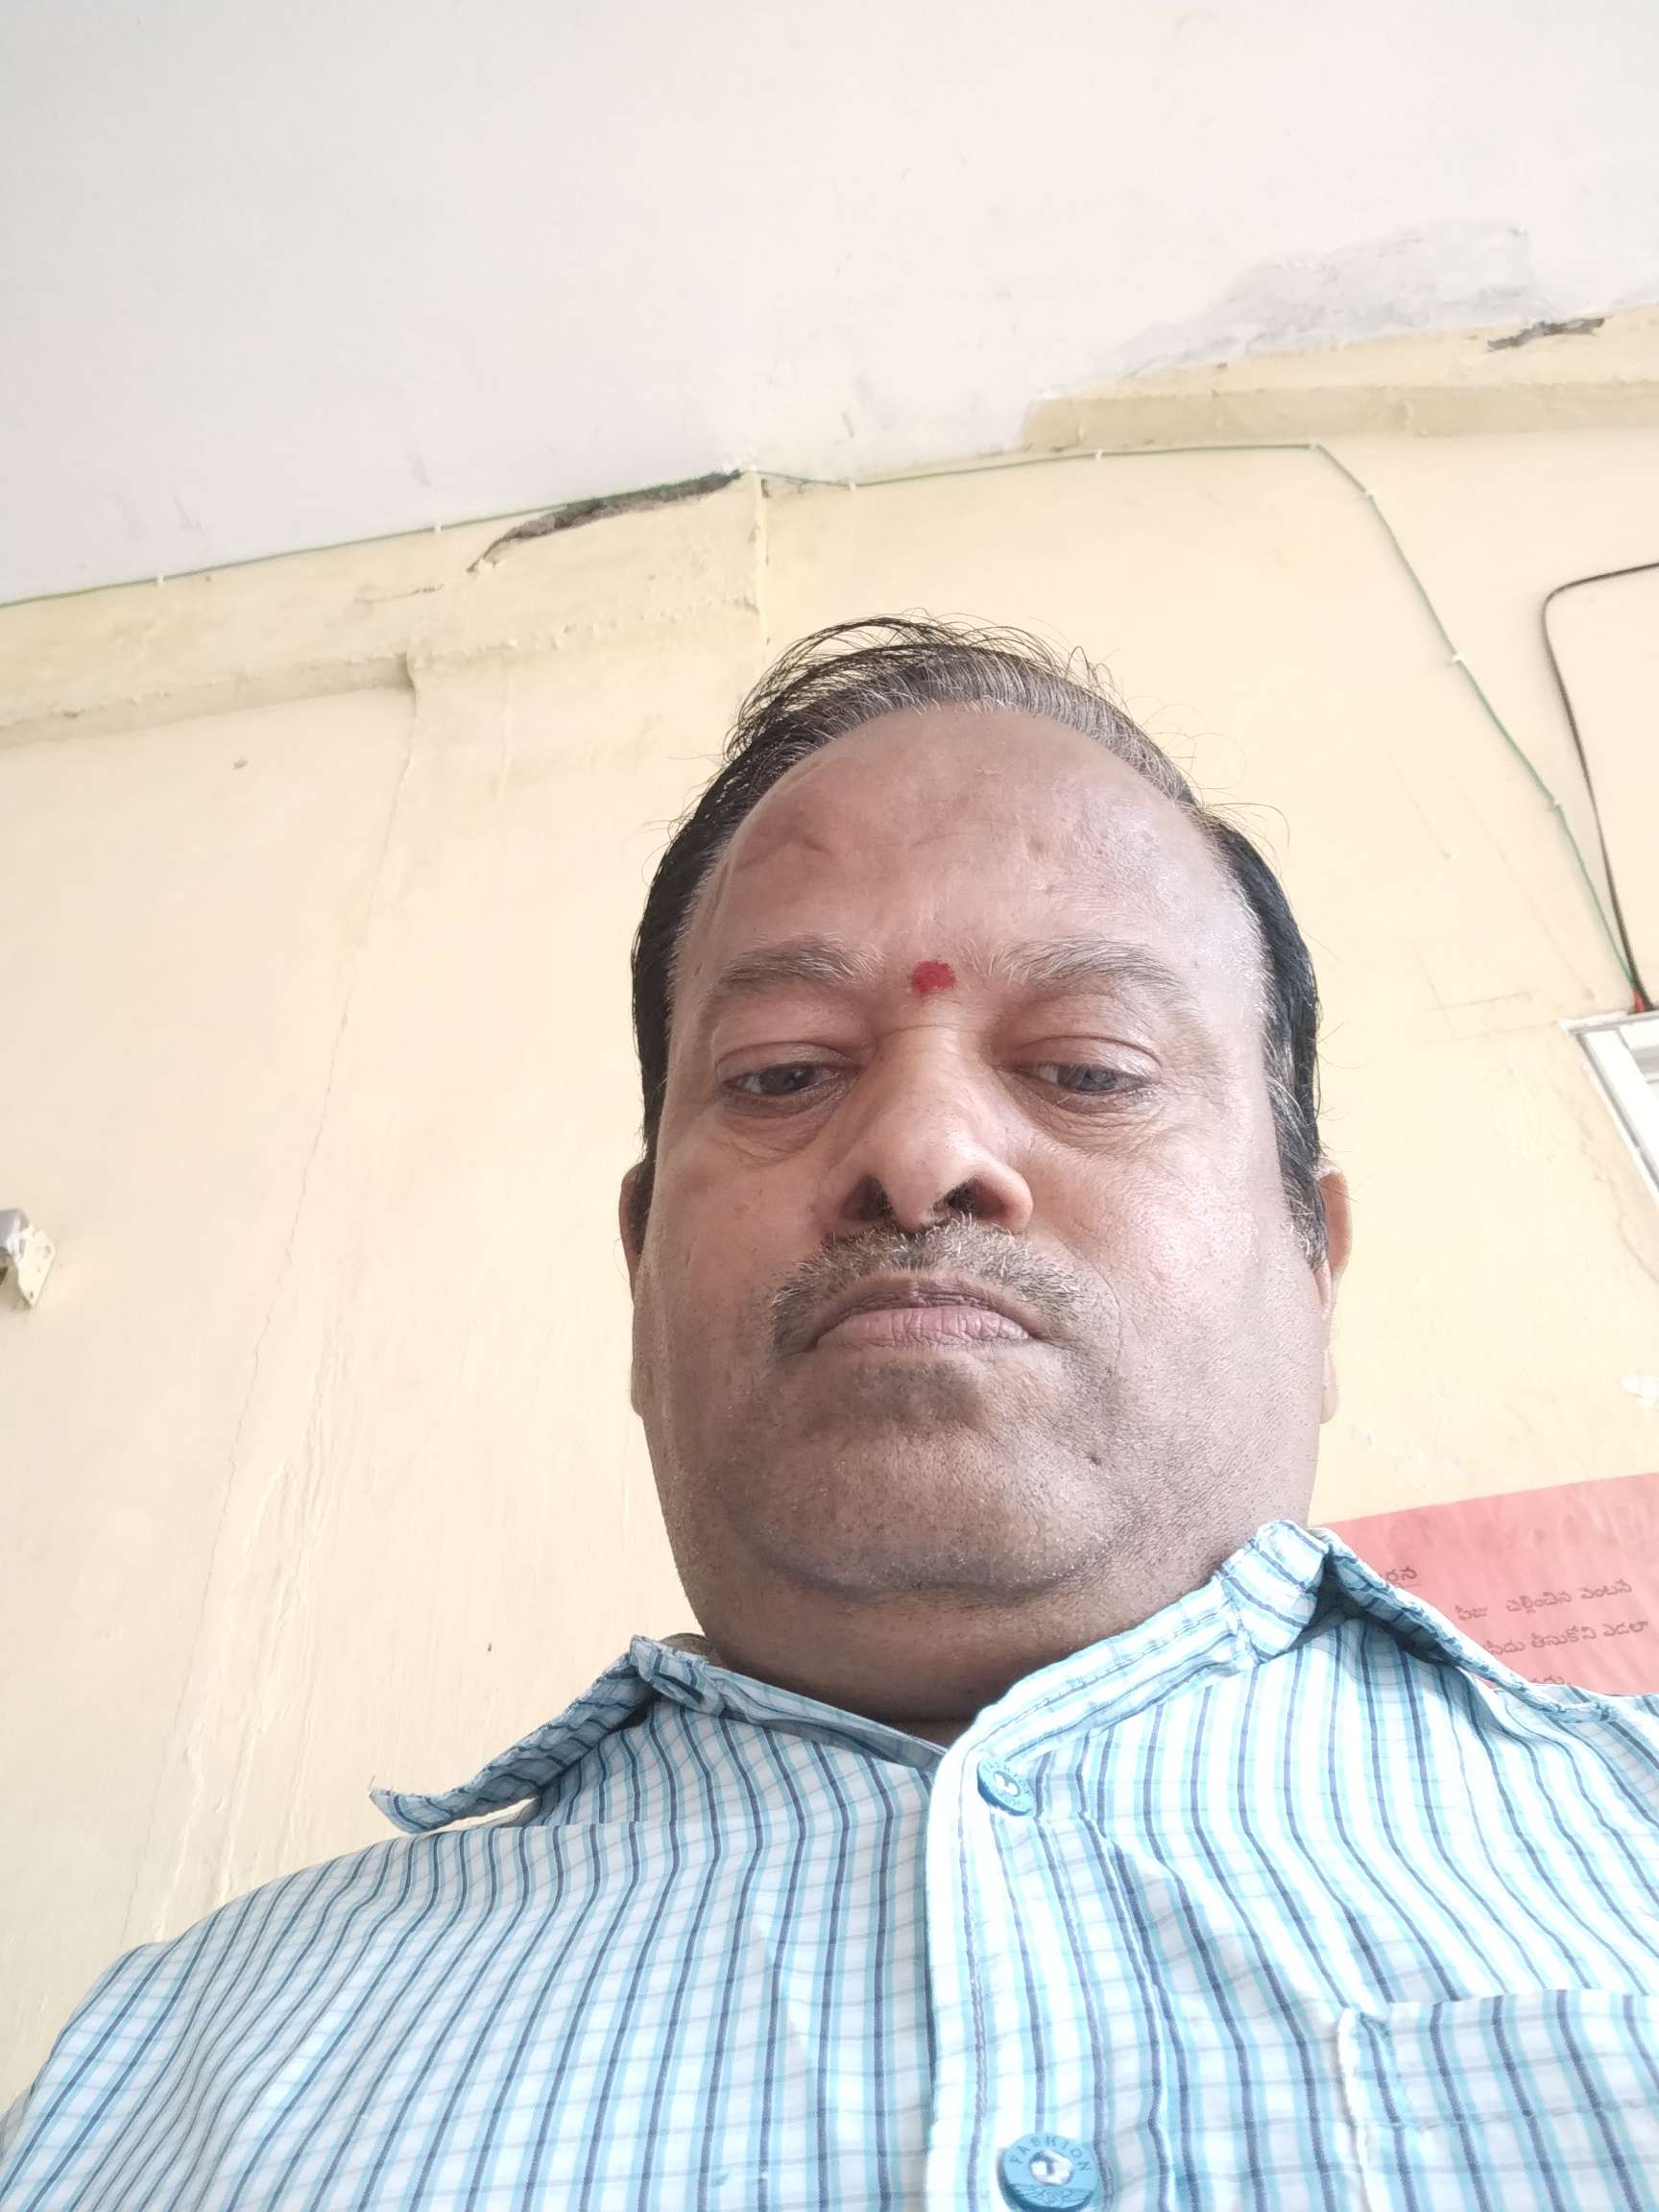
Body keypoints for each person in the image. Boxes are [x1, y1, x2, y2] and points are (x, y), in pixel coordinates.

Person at [5, 617, 1659, 2212]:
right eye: (785, 1071)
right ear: (641, 1273)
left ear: (1317, 1266)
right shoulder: (162, 2079)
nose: (923, 1151)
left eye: (1089, 1064)